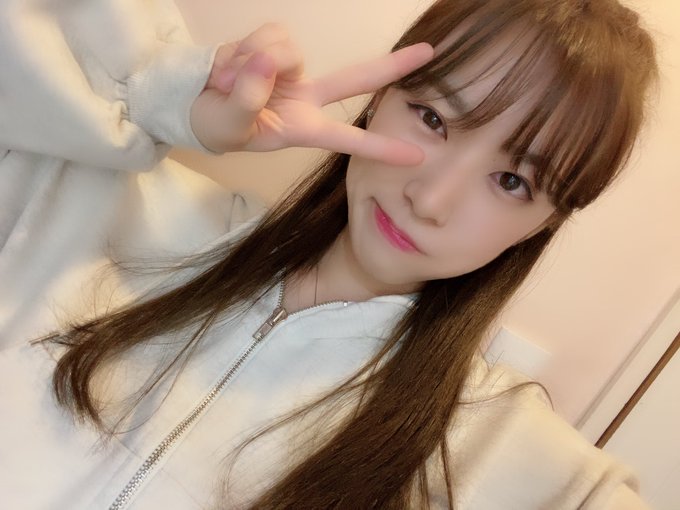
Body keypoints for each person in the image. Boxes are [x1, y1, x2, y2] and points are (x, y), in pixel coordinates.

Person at [0, 0, 658, 509]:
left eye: (512, 181)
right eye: (432, 118)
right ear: (381, 96)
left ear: (544, 224)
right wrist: (163, 102)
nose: (430, 199)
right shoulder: (123, 211)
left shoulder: (507, 454)